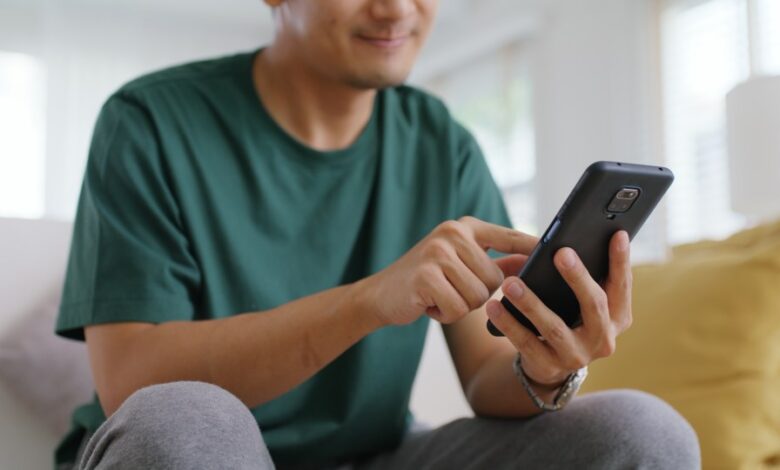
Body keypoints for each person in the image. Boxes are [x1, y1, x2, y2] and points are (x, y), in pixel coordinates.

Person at [54, 0, 700, 469]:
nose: (395, 10)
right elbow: (131, 381)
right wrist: (367, 301)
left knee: (644, 430)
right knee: (185, 421)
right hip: (196, 453)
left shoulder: (442, 144)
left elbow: (486, 375)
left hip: (376, 457)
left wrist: (546, 367)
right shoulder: (148, 123)